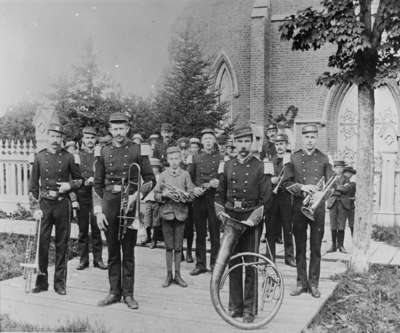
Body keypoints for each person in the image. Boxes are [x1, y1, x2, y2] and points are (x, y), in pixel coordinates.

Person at [93, 112, 155, 310]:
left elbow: (150, 180)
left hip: (130, 203)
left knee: (128, 252)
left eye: (122, 128)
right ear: (110, 130)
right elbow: (96, 184)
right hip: (109, 204)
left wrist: (136, 196)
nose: (118, 133)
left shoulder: (137, 149)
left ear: (128, 129)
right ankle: (113, 292)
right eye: (115, 129)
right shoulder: (103, 151)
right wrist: (98, 211)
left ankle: (128, 294)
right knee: (112, 251)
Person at [217, 125, 271, 323]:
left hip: (251, 220)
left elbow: (266, 199)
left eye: (247, 141)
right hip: (231, 217)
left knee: (250, 264)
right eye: (239, 141)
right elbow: (219, 194)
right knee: (233, 263)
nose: (243, 145)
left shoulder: (261, 166)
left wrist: (253, 220)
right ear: (234, 143)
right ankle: (235, 306)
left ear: (252, 142)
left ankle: (249, 309)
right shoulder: (227, 165)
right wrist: (222, 214)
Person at [29, 123, 82, 295]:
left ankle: (60, 284)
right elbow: (32, 187)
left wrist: (69, 185)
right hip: (44, 205)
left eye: (59, 137)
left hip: (62, 205)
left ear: (62, 139)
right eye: (52, 136)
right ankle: (41, 281)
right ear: (47, 137)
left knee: (62, 243)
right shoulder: (39, 157)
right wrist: (35, 207)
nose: (55, 140)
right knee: (42, 244)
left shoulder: (68, 157)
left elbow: (79, 180)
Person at [285, 124, 333, 298]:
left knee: (315, 247)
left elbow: (331, 185)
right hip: (299, 208)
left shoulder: (324, 158)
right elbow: (287, 184)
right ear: (302, 138)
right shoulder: (294, 158)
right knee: (300, 247)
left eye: (313, 137)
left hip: (317, 209)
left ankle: (313, 284)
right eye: (307, 137)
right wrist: (303, 187)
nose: (310, 140)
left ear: (316, 138)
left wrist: (321, 194)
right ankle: (300, 282)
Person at [154, 146, 196, 288]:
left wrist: (185, 196)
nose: (174, 161)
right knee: (168, 247)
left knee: (178, 247)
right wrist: (164, 195)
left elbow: (191, 193)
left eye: (176, 158)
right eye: (171, 159)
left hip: (181, 214)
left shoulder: (185, 175)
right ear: (167, 160)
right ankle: (168, 274)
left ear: (181, 159)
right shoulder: (163, 175)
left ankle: (178, 275)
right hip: (167, 214)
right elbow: (156, 194)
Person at [188, 128, 222, 275]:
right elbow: (188, 178)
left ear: (214, 141)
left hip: (215, 199)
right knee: (200, 232)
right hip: (199, 199)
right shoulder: (195, 157)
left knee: (215, 233)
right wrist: (194, 189)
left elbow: (225, 178)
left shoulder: (221, 157)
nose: (208, 141)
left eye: (210, 138)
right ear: (202, 142)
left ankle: (215, 264)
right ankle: (200, 264)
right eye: (205, 138)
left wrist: (218, 182)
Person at [76, 127, 107, 270]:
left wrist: (95, 179)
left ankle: (98, 259)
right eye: (87, 138)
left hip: (96, 195)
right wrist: (84, 181)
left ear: (96, 140)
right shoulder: (78, 155)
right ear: (83, 139)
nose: (89, 141)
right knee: (82, 229)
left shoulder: (100, 155)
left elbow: (105, 173)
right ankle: (83, 260)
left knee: (96, 228)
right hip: (82, 194)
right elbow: (73, 175)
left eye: (92, 138)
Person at [267, 134, 296, 267]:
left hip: (286, 196)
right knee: (271, 228)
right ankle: (269, 256)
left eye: (282, 144)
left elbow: (293, 178)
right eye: (277, 144)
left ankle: (289, 257)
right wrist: (271, 180)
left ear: (286, 145)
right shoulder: (270, 160)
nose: (279, 147)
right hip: (272, 198)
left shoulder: (291, 160)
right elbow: (264, 179)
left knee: (287, 227)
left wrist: (287, 165)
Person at [326, 160, 349, 253]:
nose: (339, 170)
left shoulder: (346, 178)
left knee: (342, 224)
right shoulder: (330, 178)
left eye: (341, 168)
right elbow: (328, 190)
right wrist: (340, 188)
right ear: (334, 168)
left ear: (343, 169)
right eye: (337, 168)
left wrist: (335, 189)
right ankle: (333, 246)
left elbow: (346, 189)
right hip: (333, 203)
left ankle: (341, 246)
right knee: (333, 224)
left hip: (342, 203)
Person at [141, 157, 162, 248]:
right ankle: (148, 237)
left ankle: (154, 239)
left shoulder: (161, 177)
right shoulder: (147, 177)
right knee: (147, 220)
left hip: (156, 201)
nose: (154, 169)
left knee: (156, 221)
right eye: (152, 167)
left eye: (155, 167)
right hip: (148, 201)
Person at [342, 166, 356, 237]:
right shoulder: (340, 182)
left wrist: (354, 198)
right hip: (342, 206)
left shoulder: (353, 184)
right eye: (346, 173)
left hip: (351, 206)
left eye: (350, 173)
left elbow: (357, 195)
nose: (348, 175)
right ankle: (338, 244)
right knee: (340, 226)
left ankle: (354, 241)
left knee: (352, 224)